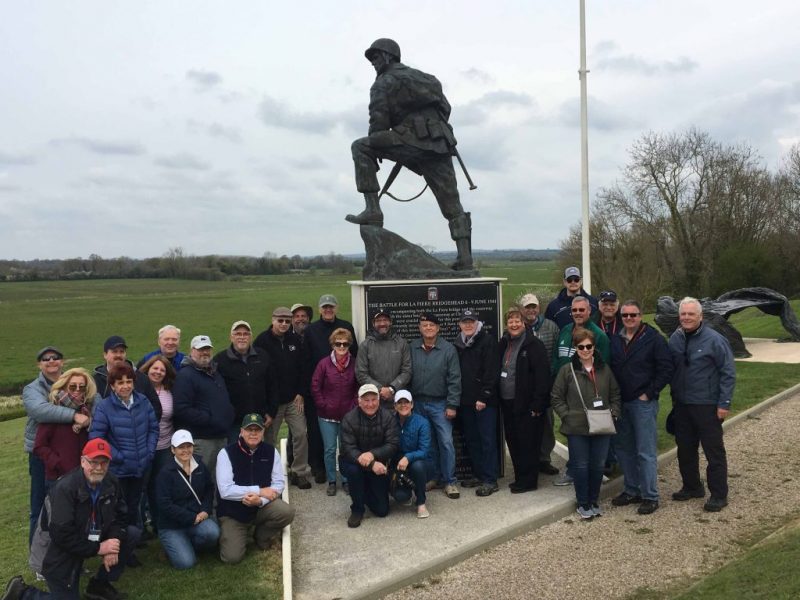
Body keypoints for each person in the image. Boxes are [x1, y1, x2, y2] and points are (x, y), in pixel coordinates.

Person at [346, 38, 474, 270]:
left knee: (360, 146)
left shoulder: (383, 83)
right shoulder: (427, 79)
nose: (373, 63)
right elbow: (445, 109)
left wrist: (381, 145)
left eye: (376, 57)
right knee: (451, 201)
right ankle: (465, 257)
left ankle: (373, 211)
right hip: (439, 142)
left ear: (388, 57)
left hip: (411, 140)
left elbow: (378, 123)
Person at [4, 438, 140, 600]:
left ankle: (99, 585)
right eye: (93, 462)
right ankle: (23, 593)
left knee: (131, 533)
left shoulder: (111, 481)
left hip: (87, 536)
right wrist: (99, 549)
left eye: (104, 463)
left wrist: (113, 542)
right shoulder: (65, 488)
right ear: (83, 461)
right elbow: (61, 534)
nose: (98, 468)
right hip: (56, 550)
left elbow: (120, 516)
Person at [668, 297, 736, 512]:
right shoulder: (675, 339)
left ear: (700, 316)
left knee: (713, 451)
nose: (686, 318)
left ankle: (718, 493)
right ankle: (692, 486)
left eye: (691, 314)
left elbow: (728, 373)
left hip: (706, 404)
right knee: (685, 449)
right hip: (682, 404)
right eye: (683, 314)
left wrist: (723, 403)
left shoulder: (715, 340)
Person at [89, 363, 158, 564]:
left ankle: (128, 550)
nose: (125, 386)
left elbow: (153, 428)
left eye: (129, 381)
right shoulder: (104, 407)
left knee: (133, 507)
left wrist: (149, 451)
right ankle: (114, 551)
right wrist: (119, 456)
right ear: (112, 385)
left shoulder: (143, 401)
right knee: (117, 513)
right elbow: (97, 439)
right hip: (117, 471)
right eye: (120, 382)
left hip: (140, 467)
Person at [610, 300, 674, 515]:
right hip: (621, 402)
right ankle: (631, 489)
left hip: (642, 403)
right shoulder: (615, 339)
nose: (629, 319)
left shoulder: (653, 339)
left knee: (645, 451)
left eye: (633, 315)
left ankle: (650, 495)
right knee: (624, 449)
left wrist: (651, 392)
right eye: (625, 315)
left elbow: (666, 368)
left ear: (640, 316)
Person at [551, 328, 621, 520]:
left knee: (598, 465)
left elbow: (615, 394)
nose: (585, 350)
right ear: (576, 348)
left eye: (589, 346)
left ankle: (593, 500)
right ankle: (583, 502)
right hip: (577, 427)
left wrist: (614, 413)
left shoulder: (604, 369)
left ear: (594, 346)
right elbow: (556, 397)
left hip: (602, 425)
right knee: (581, 466)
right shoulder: (567, 370)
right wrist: (567, 415)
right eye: (581, 346)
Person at [23, 346, 88, 544]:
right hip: (42, 454)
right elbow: (40, 410)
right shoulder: (32, 389)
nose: (51, 361)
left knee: (70, 506)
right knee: (41, 506)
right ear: (39, 364)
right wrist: (75, 416)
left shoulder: (74, 385)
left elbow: (95, 404)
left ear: (62, 361)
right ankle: (39, 557)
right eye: (46, 359)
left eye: (55, 358)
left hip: (71, 454)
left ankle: (68, 554)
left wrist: (88, 418)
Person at [216, 414, 296, 564]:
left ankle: (261, 535)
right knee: (231, 558)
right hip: (234, 513)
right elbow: (225, 490)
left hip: (261, 507)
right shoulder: (226, 453)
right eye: (249, 429)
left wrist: (261, 500)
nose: (253, 433)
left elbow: (279, 484)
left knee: (287, 512)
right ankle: (237, 533)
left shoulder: (272, 452)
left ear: (263, 432)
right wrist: (258, 491)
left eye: (257, 430)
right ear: (241, 431)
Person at [254, 308, 312, 489]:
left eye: (287, 321)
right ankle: (271, 473)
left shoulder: (295, 340)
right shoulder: (262, 341)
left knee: (301, 434)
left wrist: (301, 392)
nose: (284, 324)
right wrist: (267, 404)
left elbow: (304, 368)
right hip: (273, 402)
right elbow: (259, 374)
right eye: (280, 320)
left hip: (294, 399)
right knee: (269, 439)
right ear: (273, 320)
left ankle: (299, 472)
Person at [303, 294, 358, 483]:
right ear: (319, 309)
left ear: (336, 308)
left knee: (344, 445)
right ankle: (320, 470)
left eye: (331, 307)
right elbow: (307, 360)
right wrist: (317, 397)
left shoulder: (346, 326)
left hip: (346, 401)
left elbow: (355, 357)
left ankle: (345, 478)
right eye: (325, 307)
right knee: (322, 439)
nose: (328, 310)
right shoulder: (311, 330)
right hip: (322, 395)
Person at [497, 307, 551, 493]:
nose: (514, 324)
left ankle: (529, 481)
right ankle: (520, 478)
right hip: (507, 402)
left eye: (517, 321)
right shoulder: (504, 344)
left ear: (524, 323)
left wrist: (538, 404)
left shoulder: (534, 345)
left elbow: (543, 377)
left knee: (528, 443)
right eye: (510, 321)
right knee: (514, 441)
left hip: (527, 404)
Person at [409, 313, 462, 499]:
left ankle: (450, 481)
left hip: (440, 403)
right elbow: (407, 374)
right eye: (425, 325)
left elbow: (455, 379)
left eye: (432, 325)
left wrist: (452, 404)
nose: (428, 328)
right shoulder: (412, 348)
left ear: (438, 328)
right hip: (418, 403)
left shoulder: (448, 349)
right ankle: (433, 477)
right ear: (420, 328)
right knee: (428, 444)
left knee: (446, 442)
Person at [154, 430, 220, 570]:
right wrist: (191, 517)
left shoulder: (200, 465)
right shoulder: (165, 472)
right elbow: (164, 504)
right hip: (172, 525)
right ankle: (172, 547)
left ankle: (185, 545)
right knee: (186, 563)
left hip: (197, 519)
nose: (185, 450)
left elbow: (209, 488)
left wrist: (205, 510)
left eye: (188, 446)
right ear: (173, 449)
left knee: (213, 533)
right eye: (181, 447)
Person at [452, 309, 500, 497]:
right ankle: (479, 474)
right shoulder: (459, 344)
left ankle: (490, 479)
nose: (468, 325)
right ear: (460, 324)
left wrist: (484, 396)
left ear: (476, 322)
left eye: (471, 321)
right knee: (472, 440)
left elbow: (491, 371)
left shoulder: (487, 341)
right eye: (465, 322)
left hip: (484, 402)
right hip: (466, 401)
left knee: (487, 440)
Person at [172, 335, 235, 478]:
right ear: (191, 351)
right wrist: (208, 419)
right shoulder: (186, 375)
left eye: (207, 349)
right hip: (203, 439)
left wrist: (228, 413)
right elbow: (181, 408)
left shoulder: (214, 372)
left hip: (220, 436)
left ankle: (215, 502)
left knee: (219, 478)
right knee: (202, 478)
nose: (204, 353)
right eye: (200, 349)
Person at [339, 384, 400, 528]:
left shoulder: (388, 417)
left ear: (379, 400)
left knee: (382, 510)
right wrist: (371, 463)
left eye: (373, 399)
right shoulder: (349, 418)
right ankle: (357, 508)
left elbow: (393, 444)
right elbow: (348, 448)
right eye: (366, 400)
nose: (370, 404)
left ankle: (364, 491)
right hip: (352, 462)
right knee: (354, 472)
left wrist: (372, 455)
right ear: (359, 401)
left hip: (378, 464)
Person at [310, 328, 359, 496]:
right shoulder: (324, 364)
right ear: (333, 344)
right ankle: (332, 480)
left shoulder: (354, 363)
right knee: (330, 449)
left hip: (348, 415)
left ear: (349, 345)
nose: (342, 346)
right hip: (327, 415)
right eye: (338, 343)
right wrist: (323, 404)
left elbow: (358, 387)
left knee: (345, 448)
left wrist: (354, 406)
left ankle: (345, 480)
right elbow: (315, 386)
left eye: (345, 343)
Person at [215, 320, 279, 443]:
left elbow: (272, 385)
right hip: (235, 422)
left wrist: (271, 412)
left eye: (245, 334)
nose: (242, 337)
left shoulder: (262, 356)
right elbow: (217, 392)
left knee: (260, 455)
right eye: (238, 334)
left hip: (259, 419)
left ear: (251, 337)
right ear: (231, 337)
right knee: (236, 456)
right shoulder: (220, 360)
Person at [33, 369, 96, 490]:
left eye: (81, 387)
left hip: (85, 475)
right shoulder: (53, 411)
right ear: (64, 386)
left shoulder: (87, 411)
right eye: (72, 387)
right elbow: (39, 447)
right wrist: (57, 463)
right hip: (59, 477)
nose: (77, 390)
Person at [519, 293, 560, 476]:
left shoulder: (551, 327)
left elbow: (557, 355)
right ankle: (529, 459)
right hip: (524, 386)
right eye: (527, 307)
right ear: (522, 310)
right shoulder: (517, 328)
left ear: (539, 308)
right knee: (525, 425)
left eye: (533, 307)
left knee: (546, 423)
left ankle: (544, 459)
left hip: (546, 385)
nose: (531, 310)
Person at [139, 355, 178, 532]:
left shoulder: (170, 390)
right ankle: (140, 525)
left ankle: (159, 523)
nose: (158, 372)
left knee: (161, 487)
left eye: (162, 370)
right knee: (141, 488)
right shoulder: (138, 389)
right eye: (155, 368)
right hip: (144, 447)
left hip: (165, 447)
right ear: (147, 369)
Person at [93, 335, 162, 422]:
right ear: (105, 355)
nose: (118, 355)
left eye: (122, 351)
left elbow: (156, 408)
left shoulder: (141, 378)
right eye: (114, 351)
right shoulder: (95, 381)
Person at [356, 308, 412, 410]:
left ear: (390, 322)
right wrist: (380, 389)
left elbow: (407, 371)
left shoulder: (402, 343)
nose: (382, 323)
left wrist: (391, 389)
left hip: (397, 400)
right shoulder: (365, 345)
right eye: (378, 321)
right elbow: (361, 373)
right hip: (373, 401)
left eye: (385, 320)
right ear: (373, 323)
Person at [391, 390, 432, 518]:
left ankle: (421, 502)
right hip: (398, 465)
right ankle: (406, 492)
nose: (403, 405)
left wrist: (408, 457)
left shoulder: (422, 422)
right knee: (401, 497)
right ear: (395, 406)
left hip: (419, 463)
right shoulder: (390, 422)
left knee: (418, 466)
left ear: (412, 404)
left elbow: (424, 450)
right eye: (400, 402)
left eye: (406, 402)